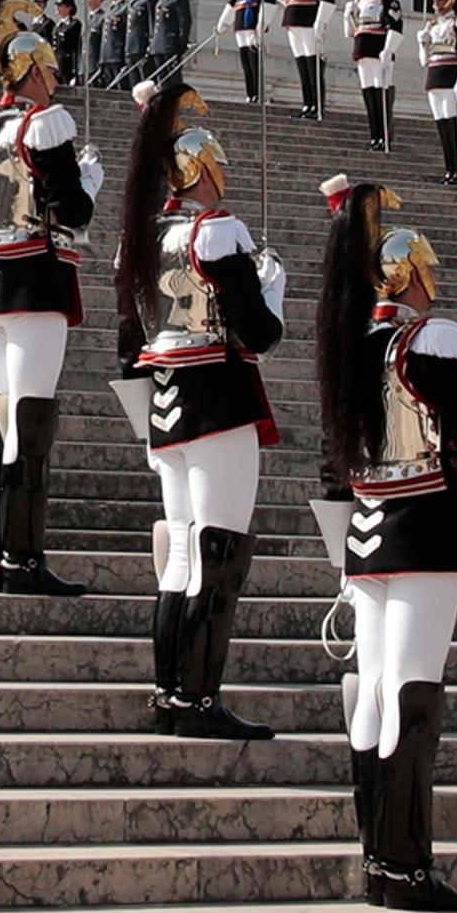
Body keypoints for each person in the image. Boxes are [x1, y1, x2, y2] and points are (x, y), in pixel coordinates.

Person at [316, 175, 457, 913]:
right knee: (413, 695)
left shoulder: (354, 344)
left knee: (375, 691)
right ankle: (407, 863)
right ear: (417, 276)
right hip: (425, 525)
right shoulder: (436, 345)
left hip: (368, 531)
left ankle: (378, 856)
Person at [114, 76, 285, 740]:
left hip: (167, 399)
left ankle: (171, 691)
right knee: (218, 554)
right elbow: (257, 333)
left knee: (182, 555)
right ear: (203, 171)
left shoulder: (146, 235)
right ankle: (201, 697)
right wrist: (272, 289)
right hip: (217, 393)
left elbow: (131, 336)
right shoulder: (219, 232)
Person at [0, 0, 99, 594]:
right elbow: (71, 208)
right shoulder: (45, 123)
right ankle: (24, 560)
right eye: (52, 70)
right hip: (34, 278)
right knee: (28, 423)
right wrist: (87, 177)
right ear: (32, 70)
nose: (57, 80)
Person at [347, 0, 406, 150]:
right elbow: (352, 29)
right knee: (368, 92)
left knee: (381, 91)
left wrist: (389, 48)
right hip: (362, 46)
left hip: (379, 45)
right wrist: (348, 16)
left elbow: (396, 23)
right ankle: (374, 135)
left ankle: (385, 135)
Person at [418, 0, 457, 188]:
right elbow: (424, 59)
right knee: (441, 125)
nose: (437, 5)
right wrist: (422, 42)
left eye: (440, 1)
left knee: (452, 124)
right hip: (434, 73)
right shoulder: (433, 25)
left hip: (451, 72)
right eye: (435, 2)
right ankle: (450, 169)